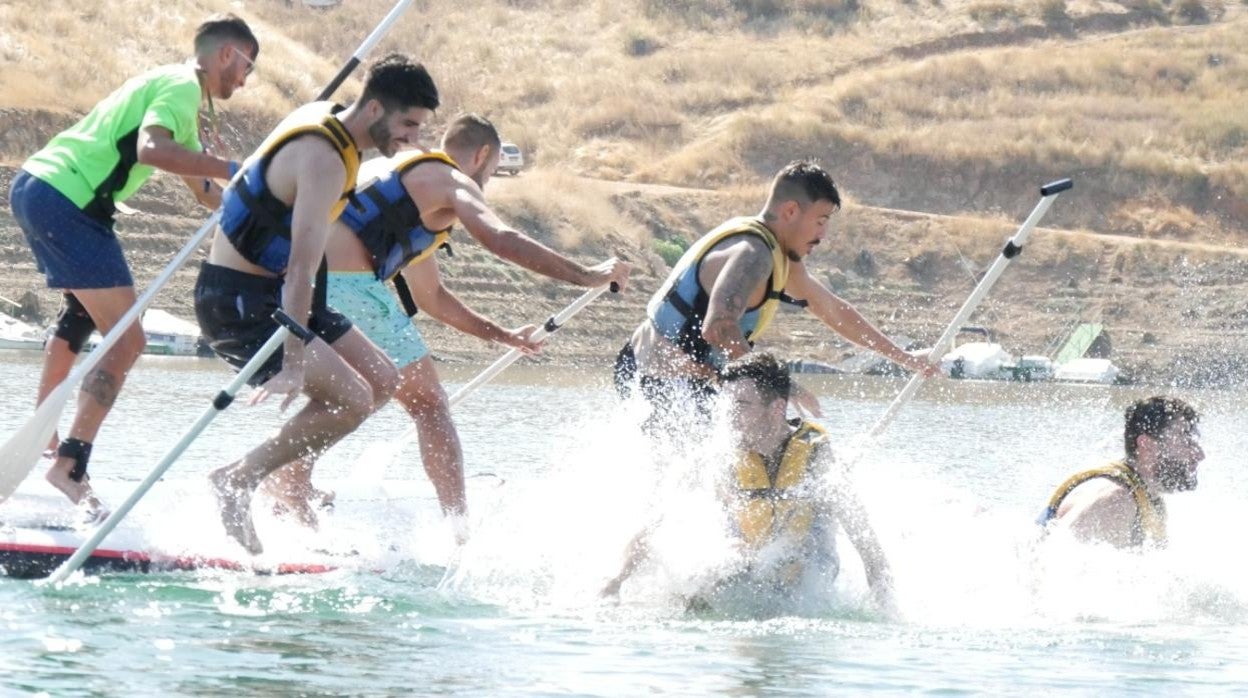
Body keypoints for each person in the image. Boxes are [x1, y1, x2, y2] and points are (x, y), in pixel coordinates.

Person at [262, 113, 631, 526]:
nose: (485, 185)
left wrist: (504, 335)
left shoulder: (398, 175)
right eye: (489, 174)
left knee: (343, 395)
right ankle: (457, 529)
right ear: (483, 155)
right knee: (428, 403)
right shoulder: (450, 180)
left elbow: (432, 297)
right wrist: (588, 276)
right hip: (347, 288)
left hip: (294, 283)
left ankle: (286, 483)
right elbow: (501, 239)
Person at [6, 14, 259, 514]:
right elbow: (152, 149)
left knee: (80, 318)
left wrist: (251, 201)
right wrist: (231, 166)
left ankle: (45, 435)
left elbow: (204, 191)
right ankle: (69, 465)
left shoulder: (172, 89)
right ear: (228, 54)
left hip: (44, 189)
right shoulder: (183, 88)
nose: (246, 81)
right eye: (247, 67)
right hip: (67, 198)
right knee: (129, 338)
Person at [196, 53, 441, 554]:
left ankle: (281, 481)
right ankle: (238, 480)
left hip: (277, 293)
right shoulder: (325, 160)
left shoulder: (329, 119)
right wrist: (291, 358)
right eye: (409, 124)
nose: (413, 139)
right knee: (350, 398)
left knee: (382, 379)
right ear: (374, 109)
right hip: (238, 302)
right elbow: (304, 264)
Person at [614, 160, 934, 433]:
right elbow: (719, 327)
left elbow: (833, 310)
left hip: (691, 377)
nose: (822, 235)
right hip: (656, 373)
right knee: (715, 467)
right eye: (820, 221)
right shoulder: (753, 254)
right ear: (791, 211)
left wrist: (904, 359)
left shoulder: (781, 257)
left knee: (772, 442)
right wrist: (778, 384)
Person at [602, 352, 895, 612]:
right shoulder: (720, 455)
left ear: (777, 409)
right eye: (726, 403)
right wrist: (614, 581)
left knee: (772, 575)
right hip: (745, 562)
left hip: (806, 569)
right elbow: (656, 523)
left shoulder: (816, 456)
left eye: (741, 404)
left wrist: (888, 610)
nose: (729, 415)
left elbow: (867, 543)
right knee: (708, 576)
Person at [1038, 396, 1203, 548]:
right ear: (1146, 445)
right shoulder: (1116, 500)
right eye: (1186, 442)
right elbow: (1047, 562)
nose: (1200, 455)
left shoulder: (1150, 499)